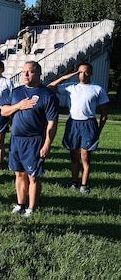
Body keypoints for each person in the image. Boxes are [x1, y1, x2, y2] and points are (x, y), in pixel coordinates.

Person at [1, 61, 59, 218]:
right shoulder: (16, 92)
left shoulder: (47, 95)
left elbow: (52, 124)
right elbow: (4, 111)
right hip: (16, 139)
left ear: (39, 74)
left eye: (30, 71)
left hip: (35, 140)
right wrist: (19, 106)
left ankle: (31, 208)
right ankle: (20, 204)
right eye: (24, 71)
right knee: (19, 174)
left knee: (33, 176)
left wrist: (47, 144)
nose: (26, 75)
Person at [47, 63, 109, 194]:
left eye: (86, 72)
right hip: (73, 124)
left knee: (85, 155)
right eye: (80, 72)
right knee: (74, 155)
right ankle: (74, 182)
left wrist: (99, 129)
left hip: (88, 124)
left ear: (91, 73)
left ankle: (84, 185)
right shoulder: (71, 87)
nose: (83, 75)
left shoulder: (97, 89)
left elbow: (104, 113)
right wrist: (64, 77)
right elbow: (50, 88)